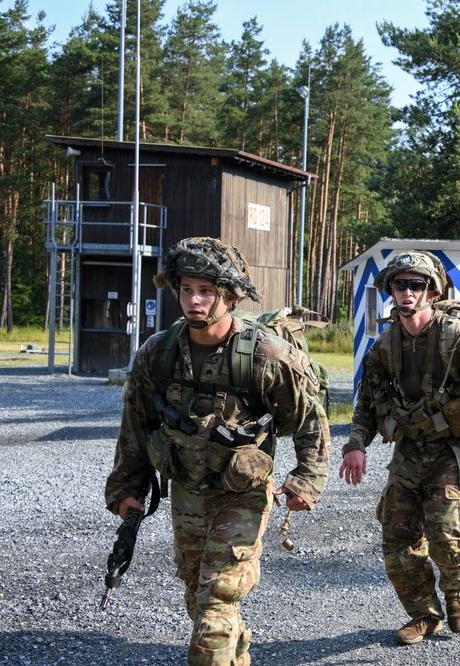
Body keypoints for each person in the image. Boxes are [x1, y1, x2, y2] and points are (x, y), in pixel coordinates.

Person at [104, 237, 330, 666]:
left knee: (215, 603)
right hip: (186, 488)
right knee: (196, 591)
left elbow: (309, 419)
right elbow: (137, 423)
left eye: (206, 290)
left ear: (228, 295)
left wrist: (306, 479)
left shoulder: (266, 354)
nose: (194, 300)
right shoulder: (159, 352)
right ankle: (235, 652)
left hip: (242, 493)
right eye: (187, 289)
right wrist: (124, 490)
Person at [338, 250, 460, 645]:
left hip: (452, 450)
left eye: (417, 285)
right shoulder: (384, 346)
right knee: (396, 539)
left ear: (431, 290)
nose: (408, 292)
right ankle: (424, 614)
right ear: (390, 290)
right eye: (400, 284)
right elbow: (366, 402)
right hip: (409, 451)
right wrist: (355, 444)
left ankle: (456, 593)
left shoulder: (459, 342)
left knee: (446, 534)